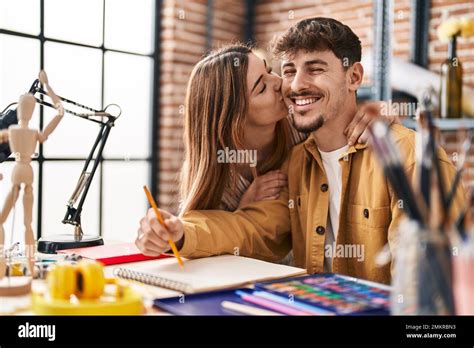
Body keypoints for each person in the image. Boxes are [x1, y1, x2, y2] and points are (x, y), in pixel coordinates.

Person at [136, 17, 464, 284]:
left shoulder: (412, 159)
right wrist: (179, 233)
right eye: (289, 70)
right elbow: (255, 230)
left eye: (316, 68)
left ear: (354, 76)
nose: (293, 85)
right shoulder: (297, 161)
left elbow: (432, 283)